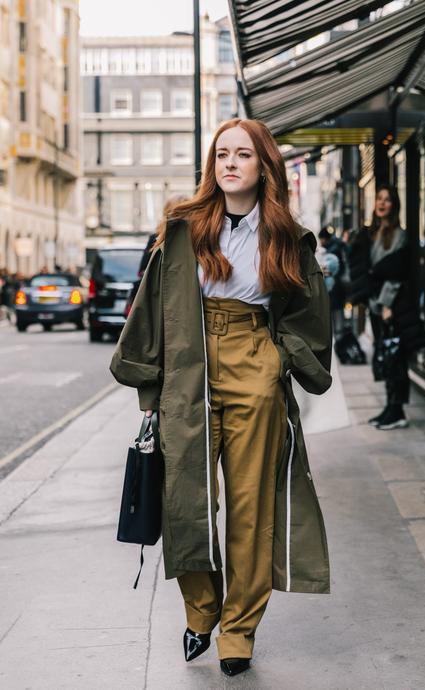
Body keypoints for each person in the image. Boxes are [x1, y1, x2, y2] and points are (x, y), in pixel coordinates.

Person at [110, 118, 332, 677]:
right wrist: (151, 390)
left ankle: (239, 626)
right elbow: (153, 302)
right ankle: (201, 609)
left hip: (254, 360)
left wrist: (280, 357)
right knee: (185, 496)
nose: (230, 163)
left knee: (251, 506)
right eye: (222, 154)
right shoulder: (183, 226)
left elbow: (310, 315)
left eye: (243, 155)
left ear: (264, 166)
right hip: (190, 362)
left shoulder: (286, 235)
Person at [348, 184, 425, 430]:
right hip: (375, 304)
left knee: (396, 357)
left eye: (387, 199)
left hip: (390, 305)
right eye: (379, 199)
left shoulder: (399, 235)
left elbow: (396, 273)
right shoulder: (372, 233)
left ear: (394, 205)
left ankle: (398, 410)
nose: (381, 203)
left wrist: (386, 304)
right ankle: (389, 407)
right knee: (385, 355)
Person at [317, 226, 346, 340]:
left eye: (321, 239)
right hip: (338, 291)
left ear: (325, 238)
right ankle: (339, 342)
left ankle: (340, 344)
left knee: (336, 322)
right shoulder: (337, 247)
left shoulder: (331, 252)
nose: (321, 242)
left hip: (335, 291)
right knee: (338, 320)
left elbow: (329, 272)